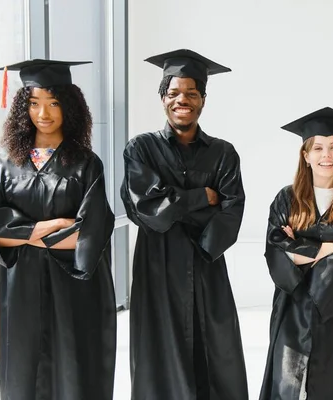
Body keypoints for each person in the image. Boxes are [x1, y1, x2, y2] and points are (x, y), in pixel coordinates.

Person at [0, 59, 116, 400]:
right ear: (23, 108)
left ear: (69, 107)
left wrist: (23, 234)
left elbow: (89, 234)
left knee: (75, 370)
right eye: (35, 103)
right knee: (23, 371)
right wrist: (51, 226)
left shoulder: (85, 163)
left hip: (73, 290)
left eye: (54, 102)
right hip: (21, 290)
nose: (44, 112)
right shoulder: (5, 164)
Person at [120, 49, 248, 400]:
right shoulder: (141, 150)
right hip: (157, 268)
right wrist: (200, 198)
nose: (182, 100)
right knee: (159, 354)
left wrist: (174, 206)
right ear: (162, 97)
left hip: (207, 266)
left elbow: (232, 211)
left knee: (216, 354)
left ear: (203, 99)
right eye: (174, 93)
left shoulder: (223, 153)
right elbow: (147, 210)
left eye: (192, 93)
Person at [259, 107, 333, 400]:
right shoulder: (287, 198)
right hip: (292, 306)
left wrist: (298, 249)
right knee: (288, 384)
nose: (327, 154)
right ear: (306, 155)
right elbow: (275, 250)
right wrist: (330, 248)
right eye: (318, 147)